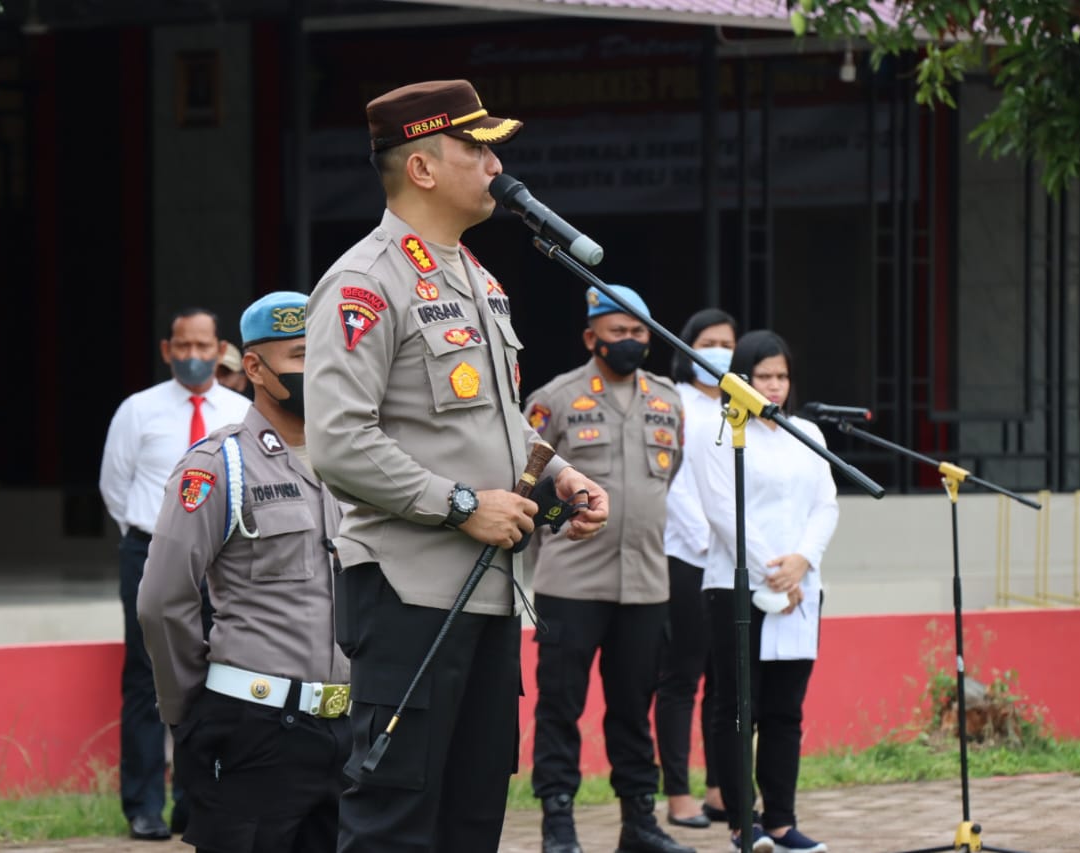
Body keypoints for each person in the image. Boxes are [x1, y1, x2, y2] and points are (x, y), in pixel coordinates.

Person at [303, 79, 609, 853]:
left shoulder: (478, 277)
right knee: (394, 822)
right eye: (476, 146)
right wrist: (462, 503)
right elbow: (339, 440)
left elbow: (495, 419)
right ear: (424, 168)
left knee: (472, 819)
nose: (494, 162)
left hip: (490, 594)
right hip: (411, 590)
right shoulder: (366, 281)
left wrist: (557, 478)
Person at [138, 291, 350, 853]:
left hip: (349, 728)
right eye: (301, 356)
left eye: (328, 354)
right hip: (256, 727)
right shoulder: (218, 465)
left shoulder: (360, 463)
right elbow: (163, 600)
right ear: (254, 367)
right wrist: (189, 714)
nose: (320, 370)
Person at [524, 285, 693, 853]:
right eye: (617, 332)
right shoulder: (556, 398)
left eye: (639, 332)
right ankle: (558, 824)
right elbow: (526, 479)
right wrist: (557, 524)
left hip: (645, 583)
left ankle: (640, 824)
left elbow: (664, 481)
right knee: (560, 707)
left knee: (633, 710)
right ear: (591, 337)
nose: (629, 341)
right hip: (571, 581)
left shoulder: (669, 399)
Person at [684, 330, 838, 853]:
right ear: (740, 380)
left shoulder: (808, 432)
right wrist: (774, 571)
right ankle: (739, 822)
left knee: (784, 713)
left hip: (801, 587)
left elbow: (827, 505)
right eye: (763, 376)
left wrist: (801, 563)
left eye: (782, 376)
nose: (774, 386)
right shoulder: (716, 431)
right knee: (737, 709)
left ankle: (781, 821)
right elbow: (722, 512)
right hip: (736, 587)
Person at [99, 308, 250, 841]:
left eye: (202, 346)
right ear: (167, 350)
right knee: (146, 678)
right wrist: (155, 540)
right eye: (182, 346)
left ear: (220, 350)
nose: (192, 356)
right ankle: (143, 805)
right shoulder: (138, 411)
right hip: (148, 552)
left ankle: (195, 799)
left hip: (222, 561)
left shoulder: (240, 410)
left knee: (213, 676)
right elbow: (115, 488)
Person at [654, 308, 737, 829]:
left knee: (724, 679)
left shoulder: (740, 409)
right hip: (685, 557)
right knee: (681, 675)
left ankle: (720, 789)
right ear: (687, 348)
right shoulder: (672, 403)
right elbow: (675, 486)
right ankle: (679, 794)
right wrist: (710, 541)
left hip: (731, 562)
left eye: (729, 343)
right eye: (709, 342)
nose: (720, 351)